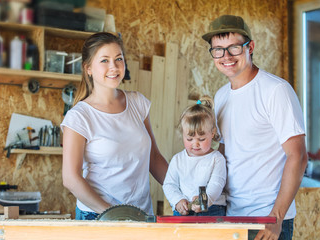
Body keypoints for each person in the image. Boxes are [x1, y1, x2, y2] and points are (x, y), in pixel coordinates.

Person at [201, 15, 308, 240]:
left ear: (250, 47)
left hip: (266, 220)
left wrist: (275, 219)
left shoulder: (275, 90)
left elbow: (298, 156)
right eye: (218, 50)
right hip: (231, 216)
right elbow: (222, 154)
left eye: (234, 48)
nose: (226, 56)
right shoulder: (221, 96)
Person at [60, 32, 168, 220]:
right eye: (104, 60)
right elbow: (71, 178)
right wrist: (113, 214)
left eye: (119, 59)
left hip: (141, 215)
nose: (114, 67)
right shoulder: (79, 117)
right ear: (88, 69)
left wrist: (182, 191)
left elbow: (154, 158)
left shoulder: (137, 103)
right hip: (97, 216)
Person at [163, 96, 226, 216]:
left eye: (201, 139)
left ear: (212, 133)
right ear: (183, 134)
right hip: (184, 210)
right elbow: (169, 184)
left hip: (212, 210)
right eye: (189, 139)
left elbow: (216, 184)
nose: (195, 144)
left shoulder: (217, 159)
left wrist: (205, 200)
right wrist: (178, 200)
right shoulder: (178, 160)